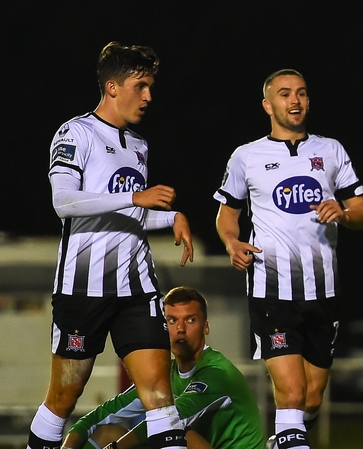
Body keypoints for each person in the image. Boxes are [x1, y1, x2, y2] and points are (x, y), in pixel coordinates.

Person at [31, 41, 194, 449]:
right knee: (64, 397)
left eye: (151, 86)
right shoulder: (75, 132)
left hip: (137, 290)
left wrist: (171, 218)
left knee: (159, 395)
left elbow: (130, 215)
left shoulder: (138, 146)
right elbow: (64, 202)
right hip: (83, 288)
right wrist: (135, 197)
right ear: (112, 87)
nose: (149, 96)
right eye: (140, 85)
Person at [214, 69, 363, 449]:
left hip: (324, 291)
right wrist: (231, 243)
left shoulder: (330, 150)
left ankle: (278, 443)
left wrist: (345, 213)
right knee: (292, 392)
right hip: (272, 290)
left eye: (301, 93)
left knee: (312, 398)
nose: (295, 101)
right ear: (269, 105)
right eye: (285, 94)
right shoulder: (246, 156)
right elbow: (227, 215)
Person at [62, 286, 267, 449]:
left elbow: (174, 417)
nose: (180, 329)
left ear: (206, 326)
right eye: (172, 320)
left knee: (177, 434)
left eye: (191, 320)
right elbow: (102, 414)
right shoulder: (164, 374)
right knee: (108, 432)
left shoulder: (218, 373)